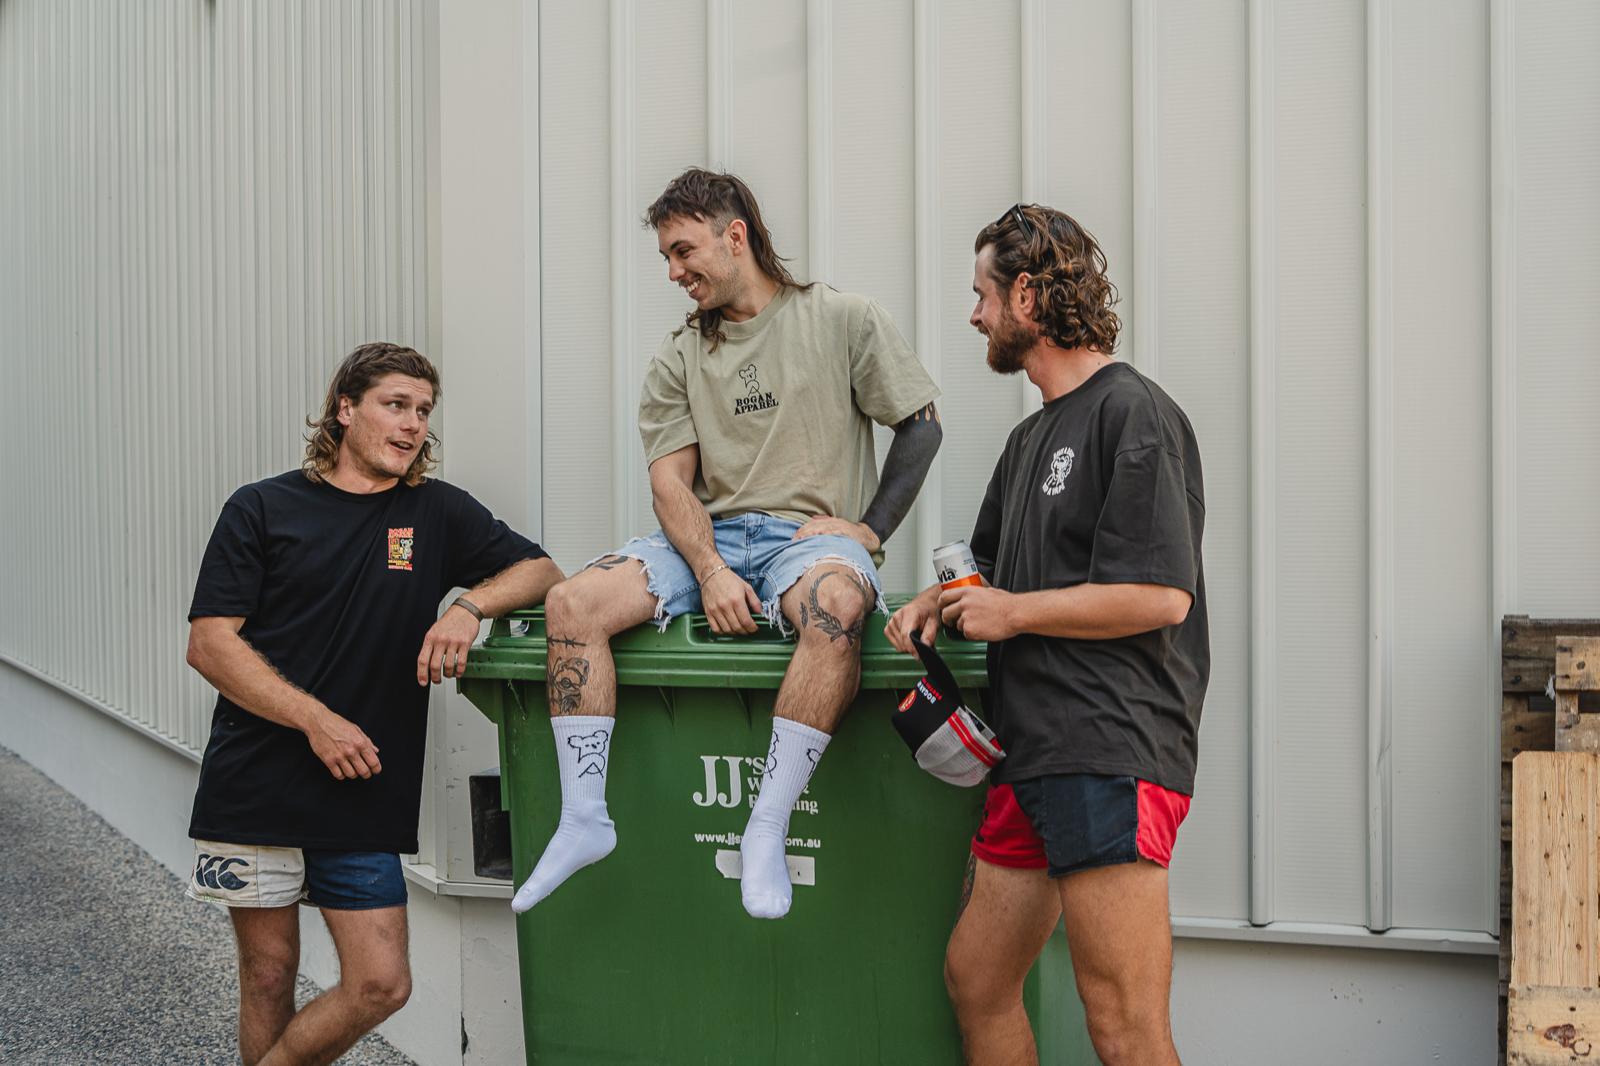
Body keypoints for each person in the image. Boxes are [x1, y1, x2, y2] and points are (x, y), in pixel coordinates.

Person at [514, 168, 943, 920]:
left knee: (838, 606)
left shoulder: (843, 319)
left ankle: (765, 827)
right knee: (571, 602)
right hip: (703, 540)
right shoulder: (678, 357)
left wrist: (869, 529)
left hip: (802, 543)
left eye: (683, 252)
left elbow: (922, 423)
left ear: (734, 235)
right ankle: (585, 818)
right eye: (667, 259)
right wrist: (709, 569)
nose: (675, 272)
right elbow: (671, 486)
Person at [885, 204, 1208, 1066]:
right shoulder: (1029, 438)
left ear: (1028, 294)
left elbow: (1162, 595)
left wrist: (1015, 612)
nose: (975, 314)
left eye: (983, 294)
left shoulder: (1132, 411)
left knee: (1123, 1024)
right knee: (978, 978)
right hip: (1030, 752)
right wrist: (933, 599)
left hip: (1110, 746)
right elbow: (986, 569)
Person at [183, 343, 563, 1066]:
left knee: (380, 984)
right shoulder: (262, 507)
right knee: (267, 977)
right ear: (345, 409)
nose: (414, 423)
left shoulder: (435, 513)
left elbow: (543, 571)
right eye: (396, 405)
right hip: (255, 780)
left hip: (362, 791)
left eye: (423, 411)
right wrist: (316, 721)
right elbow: (210, 645)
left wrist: (468, 607)